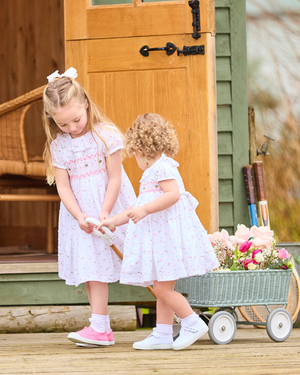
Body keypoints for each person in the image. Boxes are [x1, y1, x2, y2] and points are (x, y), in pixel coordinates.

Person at [98, 113, 220, 350]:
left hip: (168, 241)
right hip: (163, 242)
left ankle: (192, 322)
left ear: (141, 150)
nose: (136, 159)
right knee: (163, 286)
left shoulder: (161, 168)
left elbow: (172, 195)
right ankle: (163, 333)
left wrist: (144, 210)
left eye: (135, 155)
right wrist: (114, 221)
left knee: (162, 288)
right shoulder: (156, 170)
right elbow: (137, 207)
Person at [42, 67, 136, 347]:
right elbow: (63, 186)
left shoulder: (106, 135)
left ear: (85, 103)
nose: (72, 128)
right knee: (91, 266)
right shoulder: (59, 146)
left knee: (131, 256)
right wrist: (79, 215)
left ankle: (174, 315)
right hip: (80, 214)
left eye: (76, 120)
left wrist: (106, 211)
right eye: (63, 125)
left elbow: (116, 177)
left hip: (109, 205)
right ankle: (100, 327)